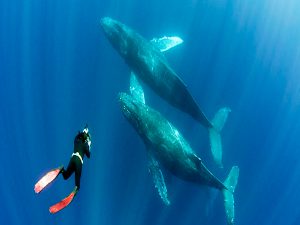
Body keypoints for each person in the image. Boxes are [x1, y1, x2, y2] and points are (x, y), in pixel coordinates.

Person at [34, 125, 92, 214]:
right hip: (79, 161)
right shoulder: (84, 145)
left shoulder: (76, 141)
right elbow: (88, 155)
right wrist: (88, 144)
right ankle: (75, 189)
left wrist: (83, 133)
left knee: (65, 176)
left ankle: (60, 169)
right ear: (85, 138)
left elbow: (77, 136)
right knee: (77, 185)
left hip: (72, 159)